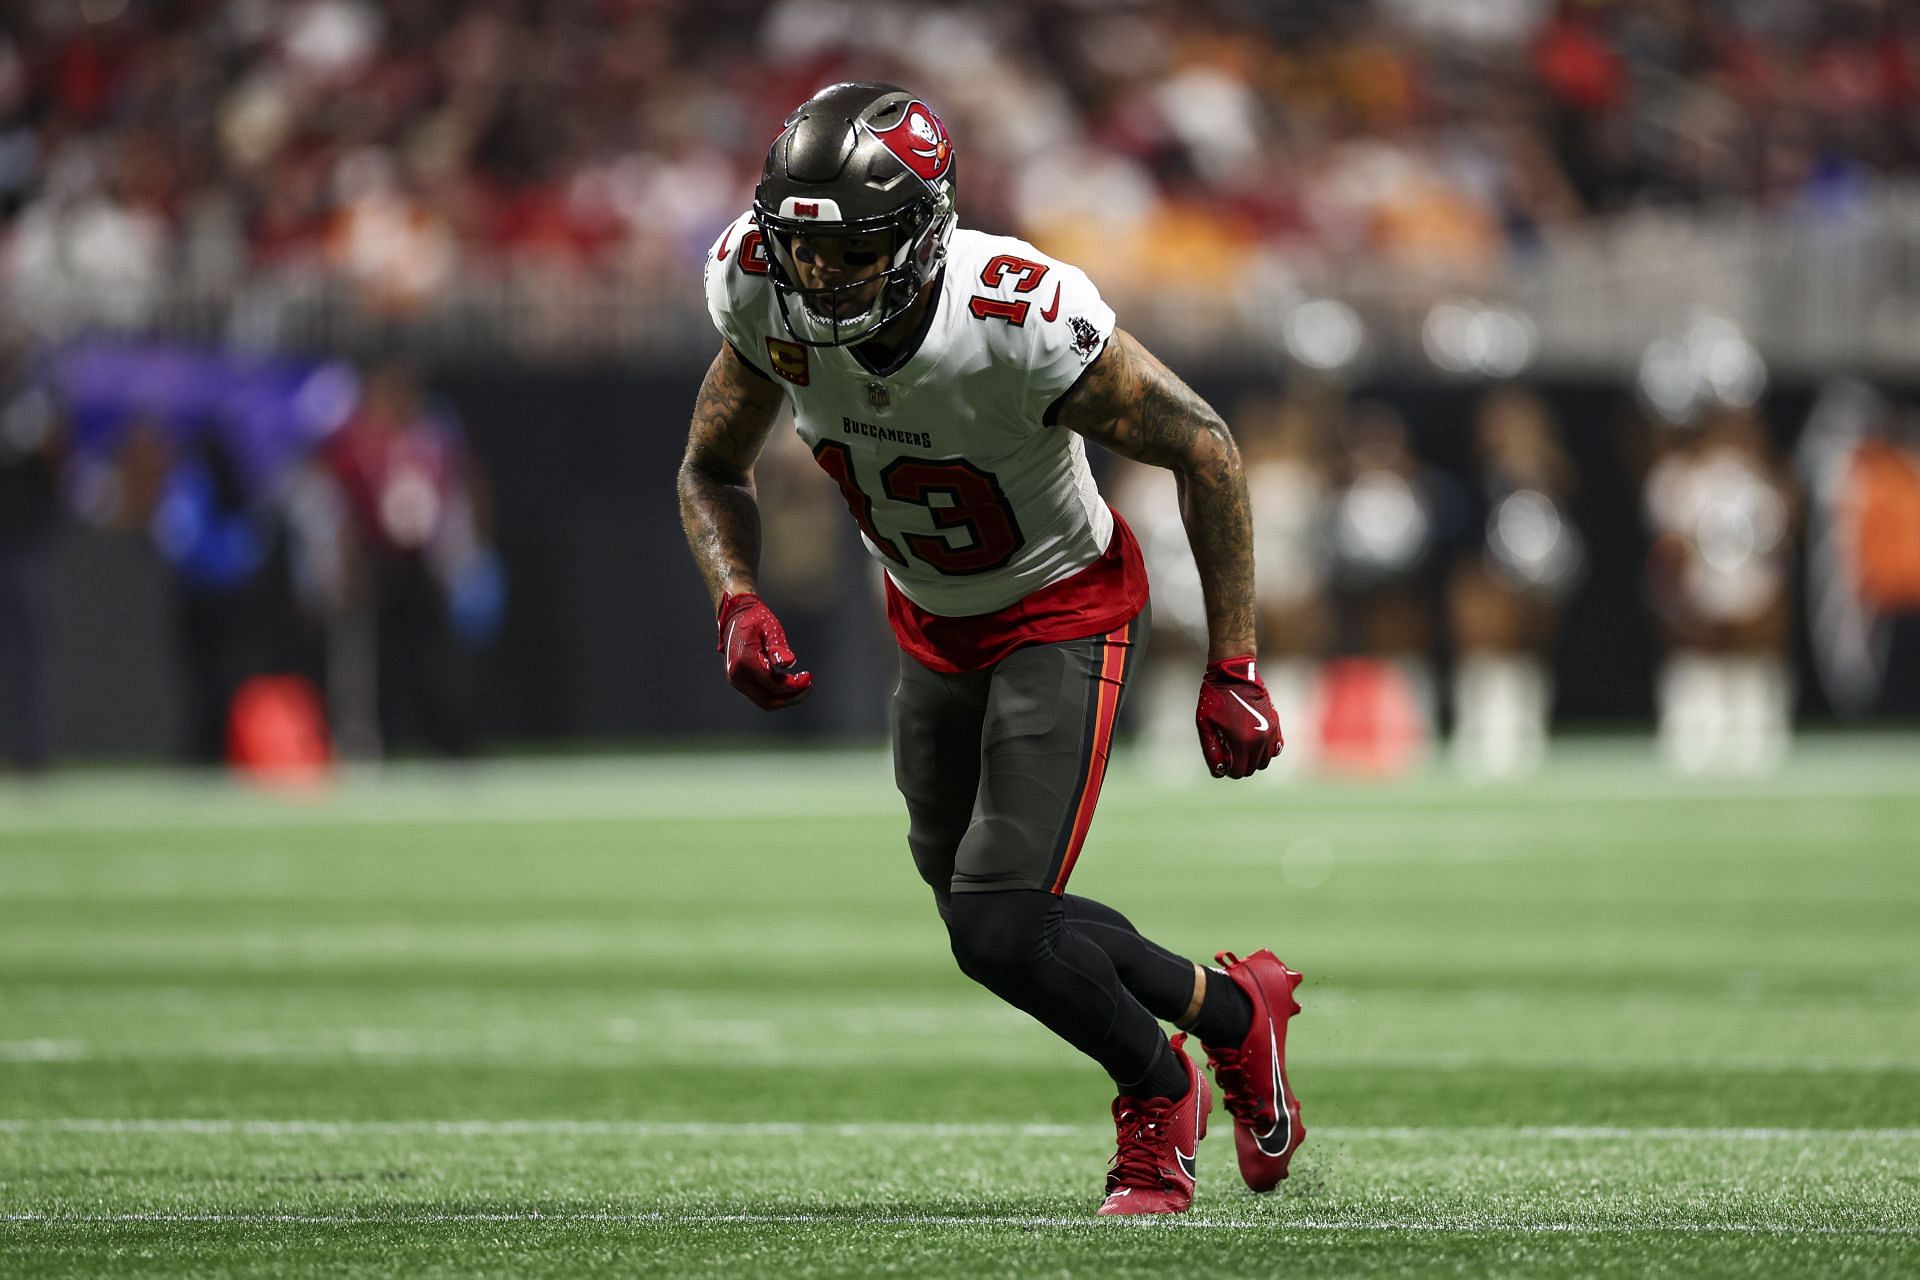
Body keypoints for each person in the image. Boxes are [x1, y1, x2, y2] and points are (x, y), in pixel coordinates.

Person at [678, 83, 1302, 1216]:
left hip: (1064, 604)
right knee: (981, 910)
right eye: (800, 247)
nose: (816, 278)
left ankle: (1160, 1097)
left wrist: (1234, 661)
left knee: (1000, 919)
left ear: (921, 236)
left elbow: (1206, 445)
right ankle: (1233, 1013)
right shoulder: (759, 289)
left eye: (849, 252)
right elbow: (711, 467)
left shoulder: (1018, 312)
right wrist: (736, 598)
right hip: (928, 615)